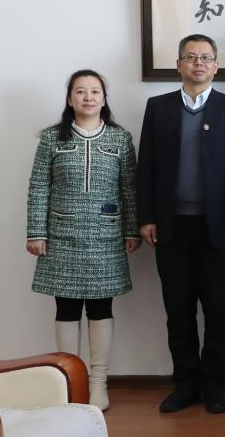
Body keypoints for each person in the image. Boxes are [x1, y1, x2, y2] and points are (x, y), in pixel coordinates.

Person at [137, 34, 225, 415]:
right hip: (171, 225)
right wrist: (146, 217)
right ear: (179, 65)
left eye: (205, 58)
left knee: (219, 308)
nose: (198, 63)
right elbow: (146, 166)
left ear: (216, 66)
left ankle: (214, 383)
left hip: (217, 227)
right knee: (178, 308)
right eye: (190, 57)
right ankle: (186, 382)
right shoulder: (158, 108)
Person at [26, 69, 140, 411]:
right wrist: (36, 232)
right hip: (61, 236)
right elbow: (38, 186)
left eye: (94, 91)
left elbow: (129, 188)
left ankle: (98, 383)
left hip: (106, 237)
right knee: (66, 308)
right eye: (80, 91)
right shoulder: (51, 138)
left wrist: (131, 230)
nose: (88, 97)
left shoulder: (120, 138)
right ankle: (69, 382)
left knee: (101, 308)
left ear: (104, 99)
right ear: (69, 98)